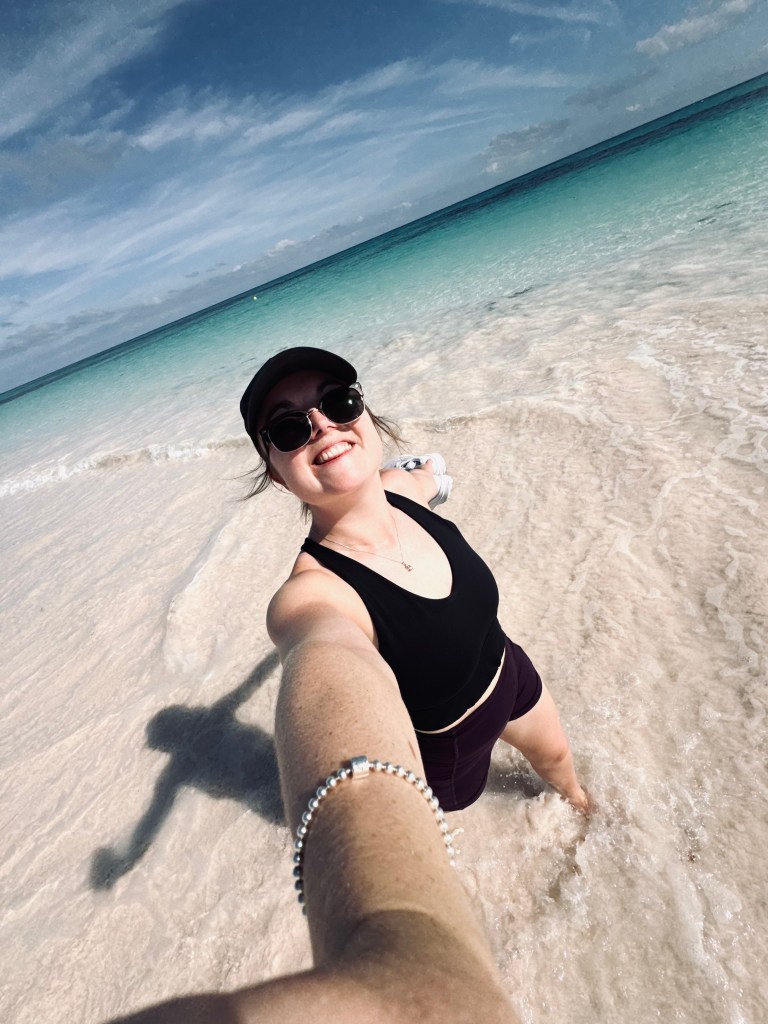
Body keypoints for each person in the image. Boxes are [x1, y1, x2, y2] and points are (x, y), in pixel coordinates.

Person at [110, 345, 587, 1023]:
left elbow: (411, 482)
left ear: (365, 414)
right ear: (274, 471)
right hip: (447, 747)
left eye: (338, 402)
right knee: (442, 848)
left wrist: (427, 474)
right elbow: (327, 658)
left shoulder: (400, 493)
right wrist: (393, 944)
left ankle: (586, 812)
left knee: (561, 766)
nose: (324, 426)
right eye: (289, 428)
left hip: (512, 673)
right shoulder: (310, 599)